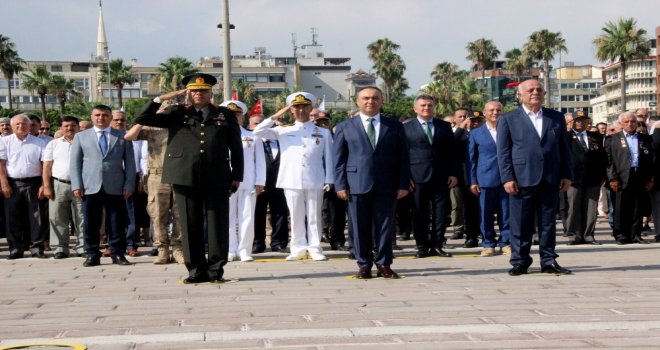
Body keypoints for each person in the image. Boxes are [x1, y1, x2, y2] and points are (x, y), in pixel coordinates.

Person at [135, 73, 243, 284]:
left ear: (211, 93)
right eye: (194, 91)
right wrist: (164, 98)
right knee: (189, 224)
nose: (198, 94)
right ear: (188, 93)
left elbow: (236, 147)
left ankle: (215, 270)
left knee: (217, 225)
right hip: (184, 176)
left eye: (203, 91)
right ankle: (195, 270)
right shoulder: (177, 112)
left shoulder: (224, 114)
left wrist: (237, 175)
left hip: (217, 175)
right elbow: (142, 119)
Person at [497, 79, 573, 276]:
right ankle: (520, 261)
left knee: (548, 222)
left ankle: (548, 260)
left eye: (539, 90)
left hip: (550, 177)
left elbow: (564, 148)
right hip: (521, 179)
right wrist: (507, 178)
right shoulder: (508, 118)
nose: (535, 93)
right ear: (519, 95)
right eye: (530, 90)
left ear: (545, 94)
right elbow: (503, 152)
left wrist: (566, 174)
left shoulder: (555, 117)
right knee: (521, 223)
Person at [333, 86, 410, 279]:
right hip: (356, 184)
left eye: (375, 98)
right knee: (359, 227)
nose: (370, 101)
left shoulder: (394, 126)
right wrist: (340, 184)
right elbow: (339, 159)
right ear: (357, 101)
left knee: (385, 226)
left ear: (381, 101)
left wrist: (402, 183)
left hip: (387, 184)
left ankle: (384, 263)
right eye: (366, 98)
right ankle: (364, 264)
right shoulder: (344, 126)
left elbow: (403, 158)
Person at [254, 92, 333, 261]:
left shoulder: (323, 133)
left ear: (311, 108)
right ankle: (297, 247)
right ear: (291, 110)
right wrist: (276, 116)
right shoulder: (283, 130)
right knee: (295, 215)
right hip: (291, 179)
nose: (301, 110)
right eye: (296, 107)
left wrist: (330, 179)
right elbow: (258, 131)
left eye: (305, 107)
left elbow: (330, 158)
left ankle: (315, 247)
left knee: (314, 216)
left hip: (315, 178)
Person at [70, 104, 136, 267]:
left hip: (116, 185)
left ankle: (118, 253)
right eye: (97, 115)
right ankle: (92, 254)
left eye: (105, 115)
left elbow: (130, 163)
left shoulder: (122, 136)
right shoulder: (81, 137)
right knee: (91, 223)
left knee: (116, 222)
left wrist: (129, 184)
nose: (101, 118)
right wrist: (77, 185)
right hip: (90, 185)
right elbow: (75, 163)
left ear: (110, 118)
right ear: (92, 117)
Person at [124, 113, 185, 265]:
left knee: (181, 215)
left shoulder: (184, 126)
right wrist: (146, 117)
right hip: (158, 175)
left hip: (180, 174)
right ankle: (162, 249)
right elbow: (130, 136)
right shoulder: (151, 127)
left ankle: (178, 249)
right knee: (157, 214)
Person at [403, 94, 457, 259]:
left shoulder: (444, 126)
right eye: (423, 105)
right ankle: (421, 246)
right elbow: (402, 155)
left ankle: (437, 244)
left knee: (441, 213)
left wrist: (453, 173)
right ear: (415, 108)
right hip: (417, 177)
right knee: (420, 213)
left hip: (441, 176)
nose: (426, 108)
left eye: (430, 105)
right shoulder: (405, 127)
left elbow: (452, 153)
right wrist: (406, 177)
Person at [220, 99, 265, 262]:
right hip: (225, 182)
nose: (233, 117)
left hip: (248, 182)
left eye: (237, 114)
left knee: (247, 217)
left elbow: (260, 161)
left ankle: (245, 249)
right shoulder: (218, 136)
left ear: (243, 117)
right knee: (228, 217)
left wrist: (260, 181)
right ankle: (230, 249)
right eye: (229, 114)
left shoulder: (252, 136)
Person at [0, 114, 48, 259]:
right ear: (12, 126)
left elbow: (44, 164)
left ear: (30, 126)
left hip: (34, 182)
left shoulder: (39, 142)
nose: (21, 127)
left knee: (36, 217)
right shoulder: (4, 141)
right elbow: (1, 164)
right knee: (12, 217)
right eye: (17, 124)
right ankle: (15, 248)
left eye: (24, 124)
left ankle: (37, 247)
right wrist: (4, 184)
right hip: (12, 183)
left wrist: (44, 185)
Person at [468, 101, 511, 257]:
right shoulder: (475, 133)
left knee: (506, 213)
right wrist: (473, 180)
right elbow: (472, 159)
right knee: (485, 214)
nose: (495, 112)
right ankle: (488, 243)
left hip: (507, 179)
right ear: (484, 113)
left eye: (498, 110)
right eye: (491, 110)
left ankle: (506, 242)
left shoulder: (509, 130)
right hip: (485, 178)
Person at [605, 111, 654, 245]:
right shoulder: (613, 139)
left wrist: (650, 179)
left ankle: (635, 234)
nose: (630, 124)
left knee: (637, 206)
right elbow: (609, 161)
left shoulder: (645, 138)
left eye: (632, 121)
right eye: (626, 122)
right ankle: (621, 234)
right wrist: (612, 178)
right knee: (621, 207)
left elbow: (651, 160)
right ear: (621, 123)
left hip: (639, 175)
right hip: (621, 176)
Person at [41, 115, 85, 259]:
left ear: (78, 127)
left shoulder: (85, 142)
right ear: (61, 128)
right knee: (57, 217)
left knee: (82, 216)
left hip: (81, 184)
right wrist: (46, 186)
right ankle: (60, 248)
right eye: (66, 126)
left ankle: (82, 246)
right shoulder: (53, 144)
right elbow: (47, 166)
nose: (69, 128)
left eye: (72, 125)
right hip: (59, 184)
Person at [565, 112, 607, 245]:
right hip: (573, 178)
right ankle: (574, 235)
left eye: (584, 120)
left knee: (591, 207)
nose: (581, 123)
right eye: (578, 120)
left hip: (592, 177)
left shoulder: (596, 136)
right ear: (572, 122)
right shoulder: (566, 136)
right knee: (573, 207)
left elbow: (602, 157)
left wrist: (602, 176)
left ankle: (588, 235)